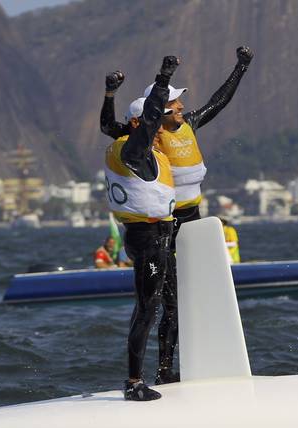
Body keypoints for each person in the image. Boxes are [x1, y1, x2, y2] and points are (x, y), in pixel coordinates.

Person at [100, 46, 254, 385]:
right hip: (159, 228)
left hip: (189, 221)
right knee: (161, 301)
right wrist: (115, 93)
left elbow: (219, 101)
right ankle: (149, 375)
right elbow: (109, 125)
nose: (181, 107)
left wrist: (240, 68)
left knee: (185, 301)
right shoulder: (139, 142)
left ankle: (180, 366)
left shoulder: (187, 125)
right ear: (151, 117)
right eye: (172, 104)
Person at [104, 55, 180, 401]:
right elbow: (146, 121)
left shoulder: (140, 147)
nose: (159, 127)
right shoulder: (130, 152)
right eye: (154, 123)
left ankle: (165, 370)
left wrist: (109, 95)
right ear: (139, 125)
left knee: (166, 304)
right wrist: (162, 79)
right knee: (147, 308)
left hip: (160, 235)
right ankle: (134, 382)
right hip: (146, 238)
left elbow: (110, 125)